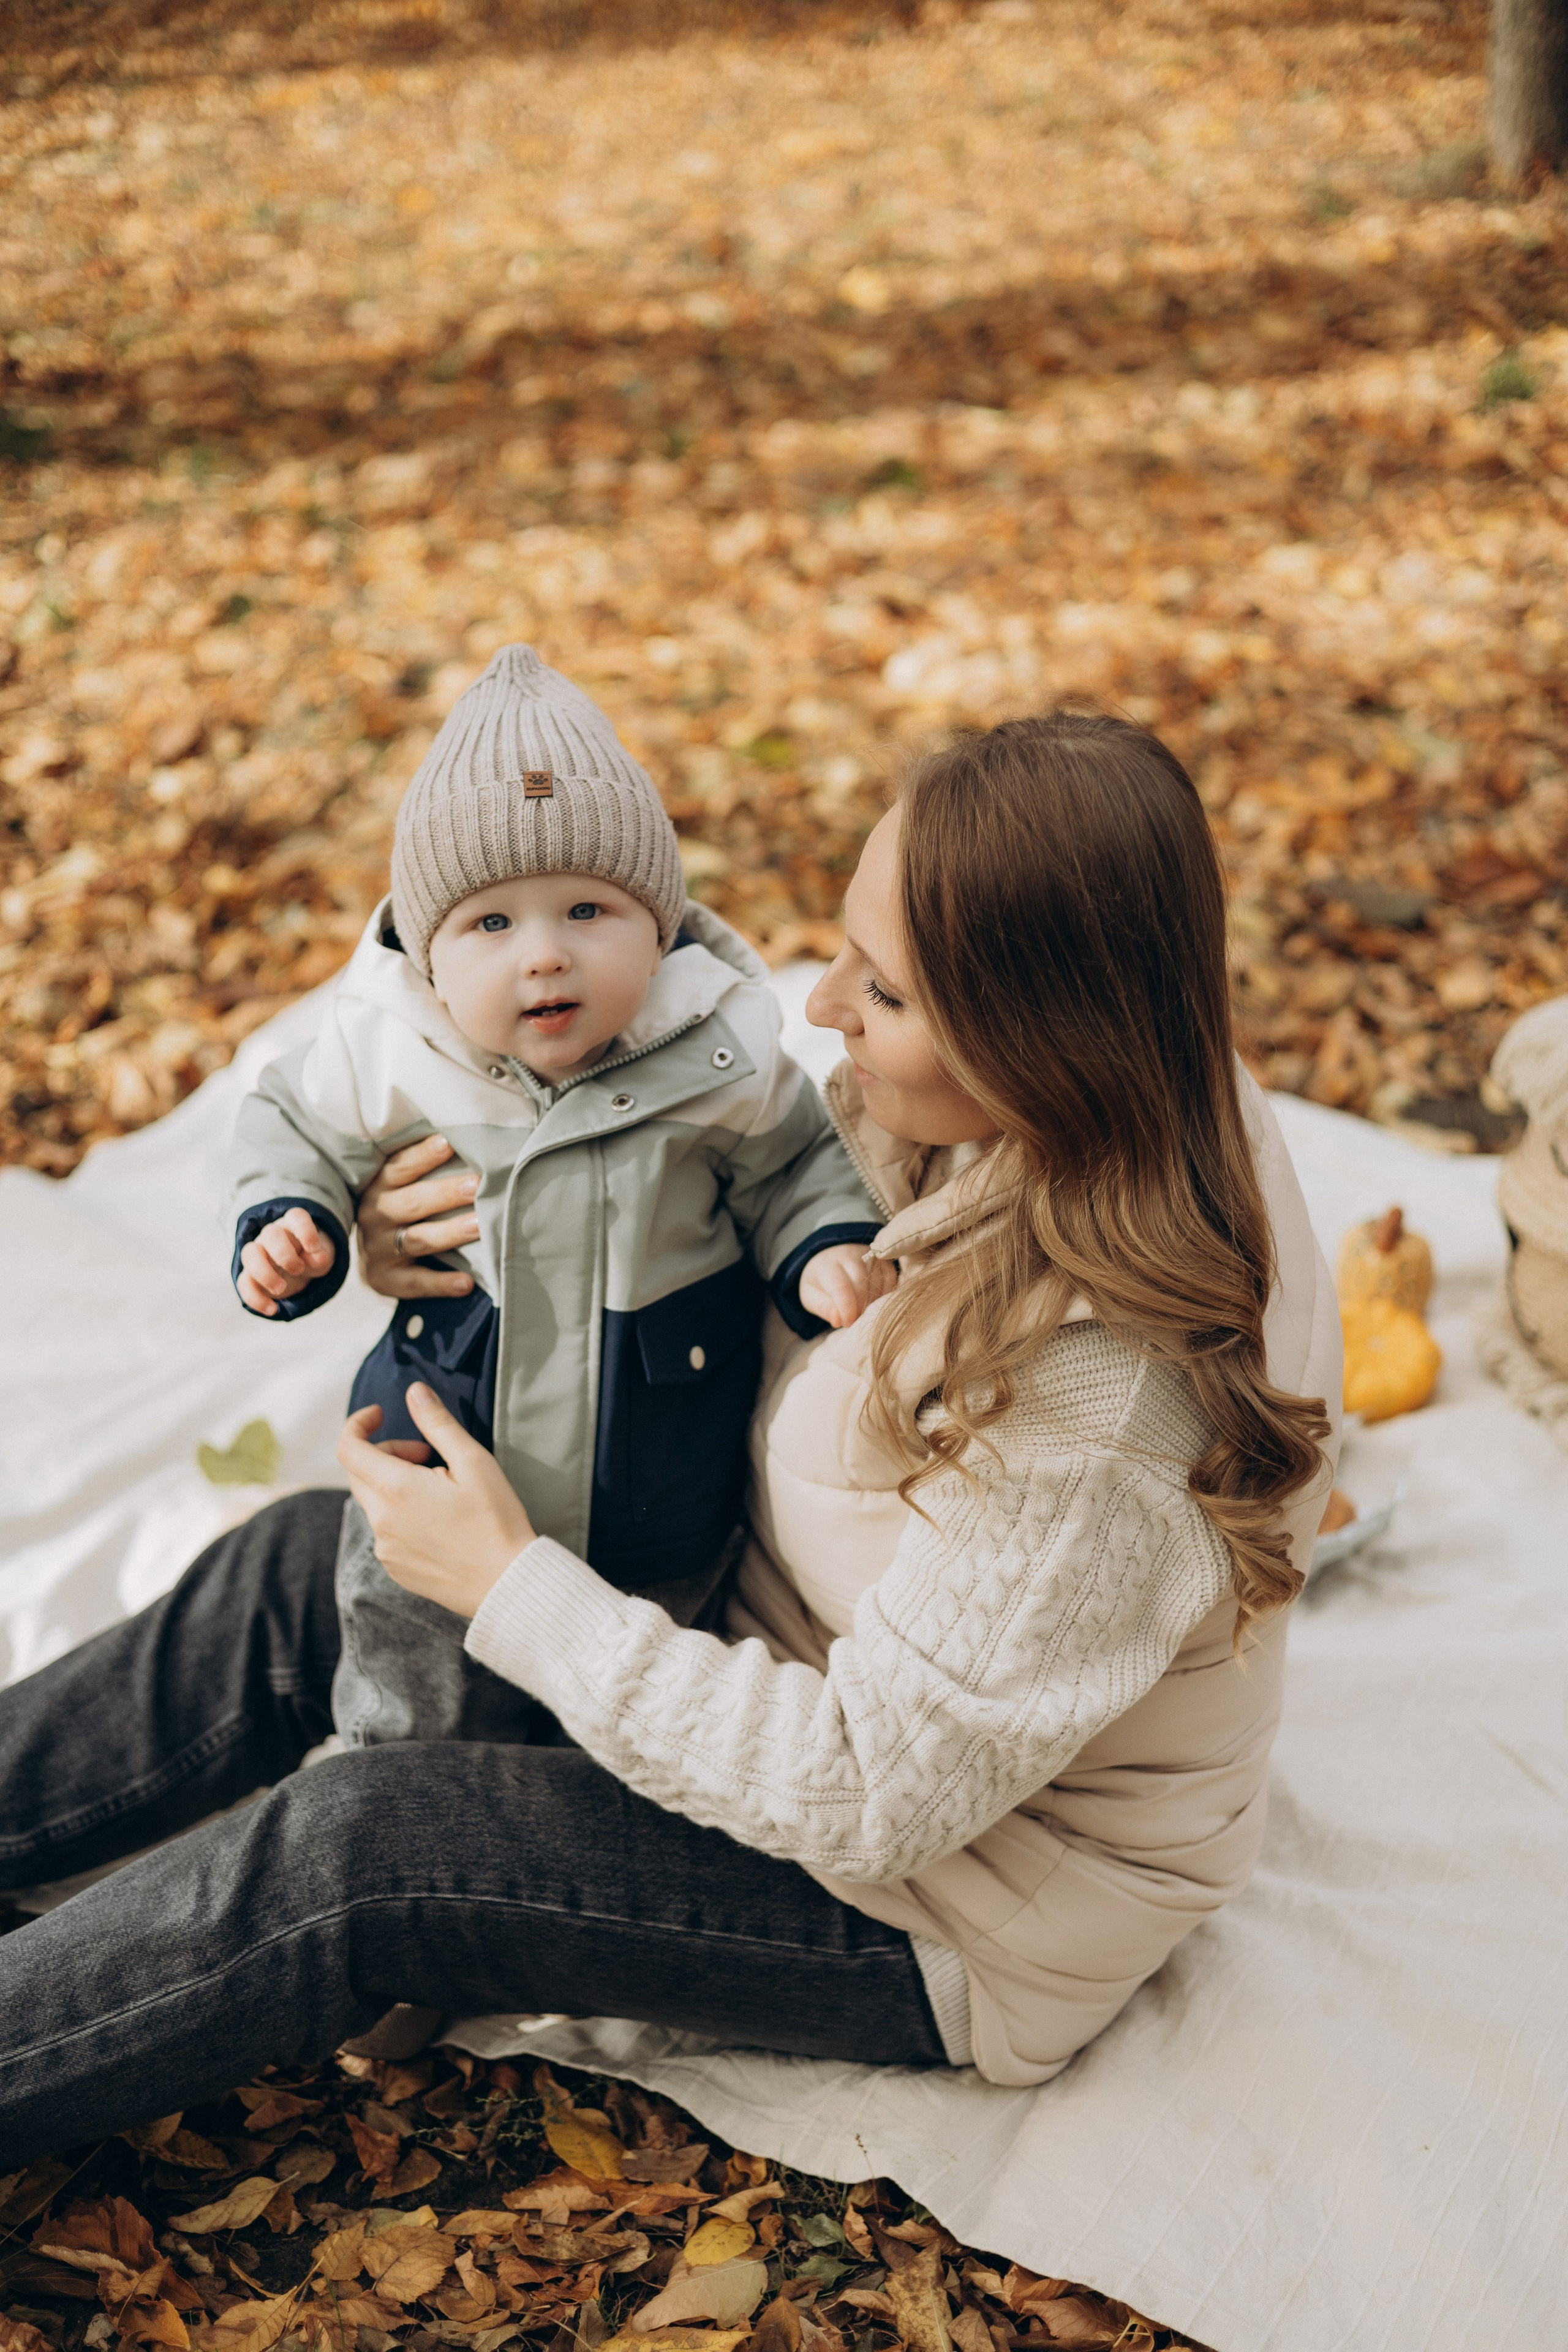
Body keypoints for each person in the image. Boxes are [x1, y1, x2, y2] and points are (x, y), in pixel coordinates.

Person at [0, 710, 1340, 2157]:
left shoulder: (1109, 1404)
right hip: (768, 1621)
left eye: (879, 993)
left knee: (361, 1849)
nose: (821, 1006)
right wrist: (429, 1247)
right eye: (846, 948)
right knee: (306, 1567)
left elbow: (870, 1795)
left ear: (1038, 1035)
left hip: (944, 1897)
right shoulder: (1042, 1095)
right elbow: (709, 1197)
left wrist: (518, 1593)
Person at [227, 643, 887, 1767]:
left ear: (662, 927)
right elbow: (293, 1125)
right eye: (492, 925)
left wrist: (824, 1243)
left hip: (660, 1485)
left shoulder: (720, 1049)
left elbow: (792, 1165)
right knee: (410, 1685)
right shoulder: (391, 1047)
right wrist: (294, 1222)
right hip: (443, 1456)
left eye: (588, 909)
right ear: (430, 958)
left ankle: (564, 1840)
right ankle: (387, 1795)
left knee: (619, 1730)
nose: (545, 957)